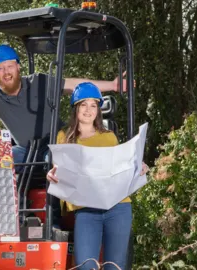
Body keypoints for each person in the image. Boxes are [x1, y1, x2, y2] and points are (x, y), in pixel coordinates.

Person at [0, 36, 131, 169]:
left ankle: (54, 219)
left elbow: (74, 84)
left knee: (52, 161)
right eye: (0, 68)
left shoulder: (39, 81)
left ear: (18, 67)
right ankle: (8, 219)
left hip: (55, 144)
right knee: (1, 160)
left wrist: (112, 85)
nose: (6, 72)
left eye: (9, 66)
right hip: (25, 151)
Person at [46, 82, 149, 270]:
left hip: (118, 208)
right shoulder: (64, 136)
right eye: (83, 104)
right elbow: (59, 168)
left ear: (98, 110)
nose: (88, 110)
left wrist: (138, 167)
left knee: (114, 266)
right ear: (75, 108)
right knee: (85, 266)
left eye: (93, 105)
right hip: (86, 209)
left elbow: (120, 168)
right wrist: (52, 174)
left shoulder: (109, 137)